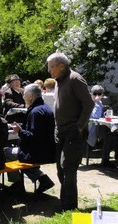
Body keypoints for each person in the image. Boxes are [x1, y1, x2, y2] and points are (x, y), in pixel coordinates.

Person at [46, 52, 94, 211]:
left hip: (73, 131)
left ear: (62, 66)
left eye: (51, 66)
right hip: (60, 131)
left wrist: (79, 127)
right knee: (61, 169)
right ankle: (64, 200)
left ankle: (69, 206)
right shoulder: (59, 80)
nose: (49, 70)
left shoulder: (74, 79)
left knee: (68, 168)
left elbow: (89, 104)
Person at [5, 84, 55, 195]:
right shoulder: (45, 108)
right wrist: (21, 127)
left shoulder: (35, 112)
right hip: (47, 150)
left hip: (36, 153)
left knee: (6, 153)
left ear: (31, 96)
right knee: (15, 155)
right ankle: (41, 179)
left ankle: (18, 183)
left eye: (24, 94)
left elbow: (33, 137)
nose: (23, 97)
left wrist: (19, 131)